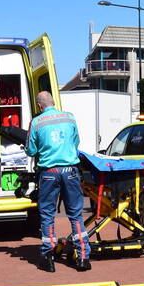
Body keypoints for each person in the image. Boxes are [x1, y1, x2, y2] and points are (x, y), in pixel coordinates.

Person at [25, 91, 90, 273]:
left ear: (39, 106)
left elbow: (30, 150)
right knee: (76, 215)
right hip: (70, 170)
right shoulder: (69, 117)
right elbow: (76, 141)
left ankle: (48, 257)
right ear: (53, 102)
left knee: (47, 215)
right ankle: (83, 257)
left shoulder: (37, 122)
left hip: (49, 172)